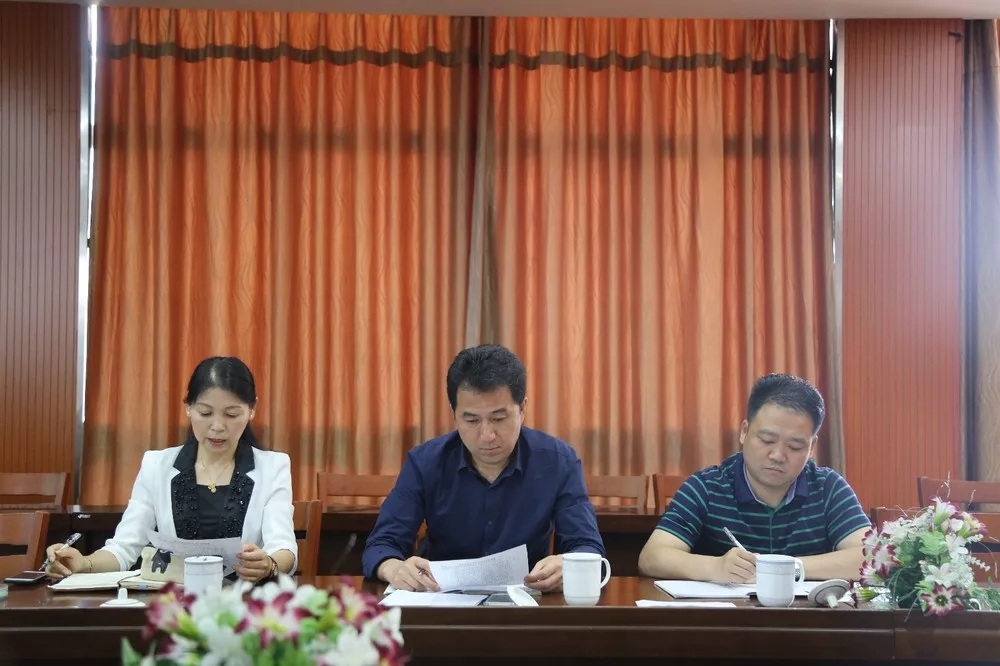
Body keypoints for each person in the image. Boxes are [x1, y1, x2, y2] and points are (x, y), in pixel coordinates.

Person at [362, 343, 605, 593]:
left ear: (522, 409)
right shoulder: (425, 463)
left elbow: (588, 547)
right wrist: (392, 567)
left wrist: (569, 564)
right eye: (471, 420)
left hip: (526, 602)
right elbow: (381, 545)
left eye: (499, 418)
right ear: (454, 414)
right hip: (441, 601)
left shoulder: (558, 462)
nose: (487, 435)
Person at [45, 356, 297, 582]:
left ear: (252, 410)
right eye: (205, 413)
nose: (218, 426)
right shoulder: (157, 466)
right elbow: (124, 547)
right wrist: (85, 563)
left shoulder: (273, 467)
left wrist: (269, 564)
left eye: (231, 415)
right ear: (188, 407)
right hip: (173, 603)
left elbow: (283, 546)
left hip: (243, 603)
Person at [638, 373, 870, 583]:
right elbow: (652, 557)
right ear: (744, 432)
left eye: (795, 446)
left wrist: (787, 568)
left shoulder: (828, 488)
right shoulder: (706, 487)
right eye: (767, 440)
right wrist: (716, 567)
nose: (778, 455)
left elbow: (870, 557)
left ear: (812, 447)